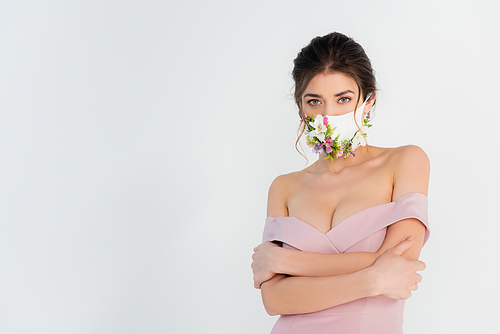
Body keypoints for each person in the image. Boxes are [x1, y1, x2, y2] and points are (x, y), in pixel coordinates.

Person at [251, 32, 430, 334]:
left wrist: (285, 261)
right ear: (300, 108)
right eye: (314, 101)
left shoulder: (405, 162)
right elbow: (274, 300)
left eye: (343, 99)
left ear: (368, 101)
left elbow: (400, 265)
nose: (328, 113)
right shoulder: (284, 187)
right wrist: (372, 275)